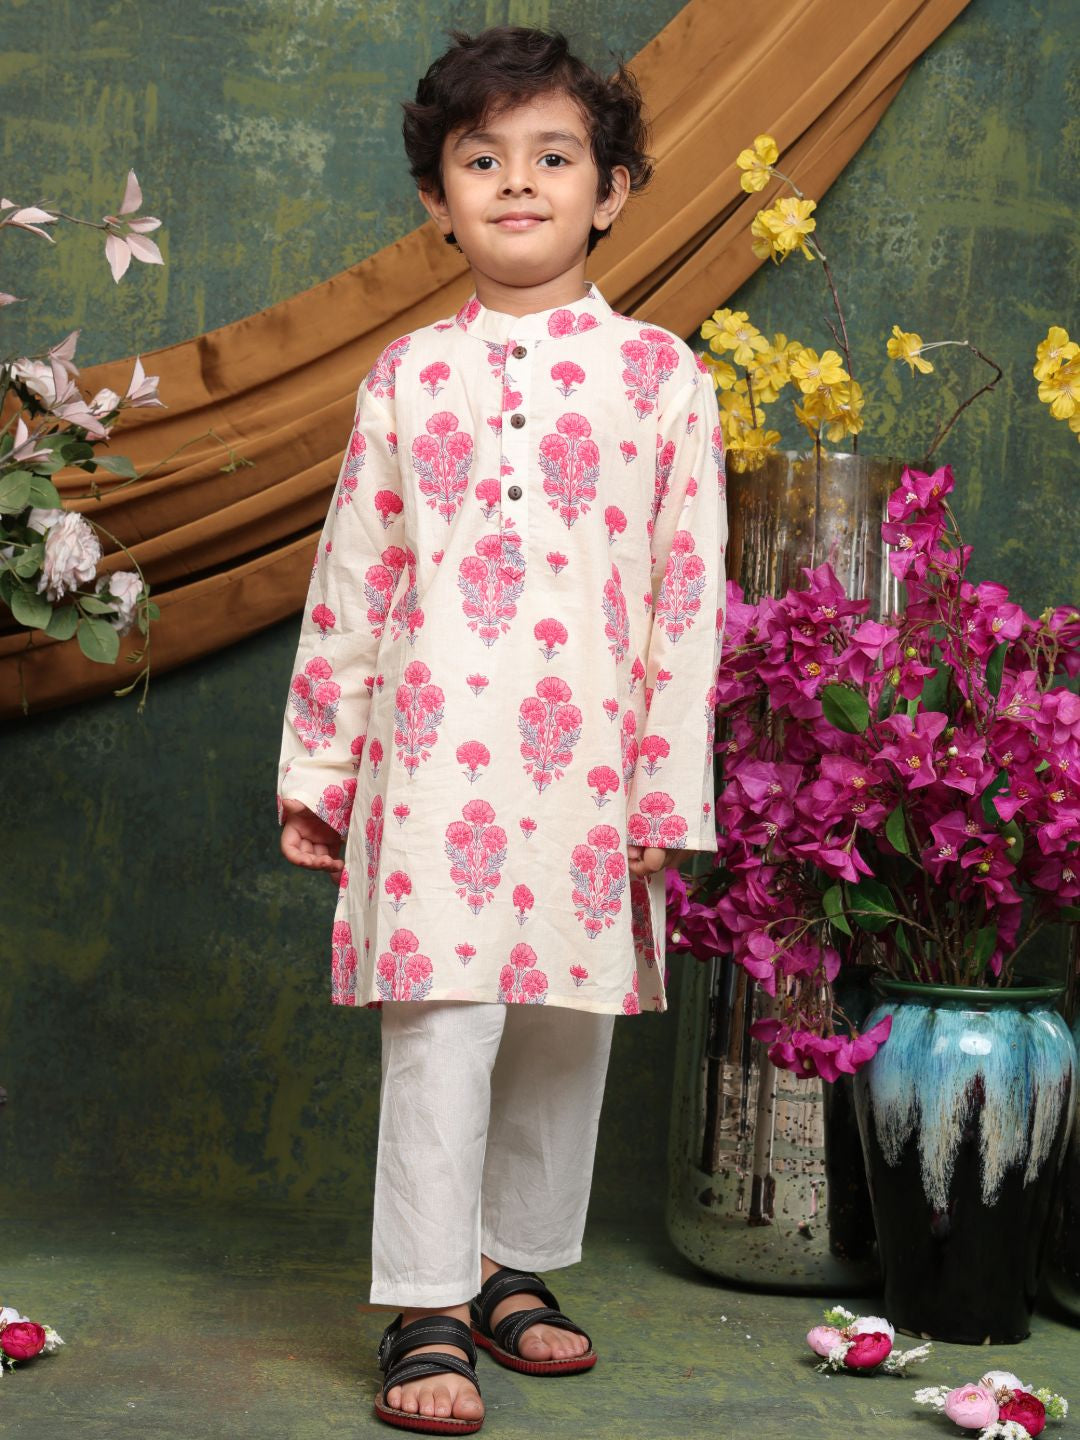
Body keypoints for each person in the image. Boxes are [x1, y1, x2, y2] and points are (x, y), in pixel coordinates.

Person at [277, 25, 727, 1435]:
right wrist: (322, 769)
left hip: (593, 768)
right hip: (430, 766)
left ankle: (512, 1271)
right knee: (445, 1029)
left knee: (560, 1028)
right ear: (438, 200)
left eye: (552, 157)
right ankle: (422, 1302)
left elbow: (688, 598)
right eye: (483, 160)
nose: (517, 183)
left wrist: (667, 794)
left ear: (611, 189)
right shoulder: (409, 379)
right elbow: (356, 576)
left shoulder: (663, 378)